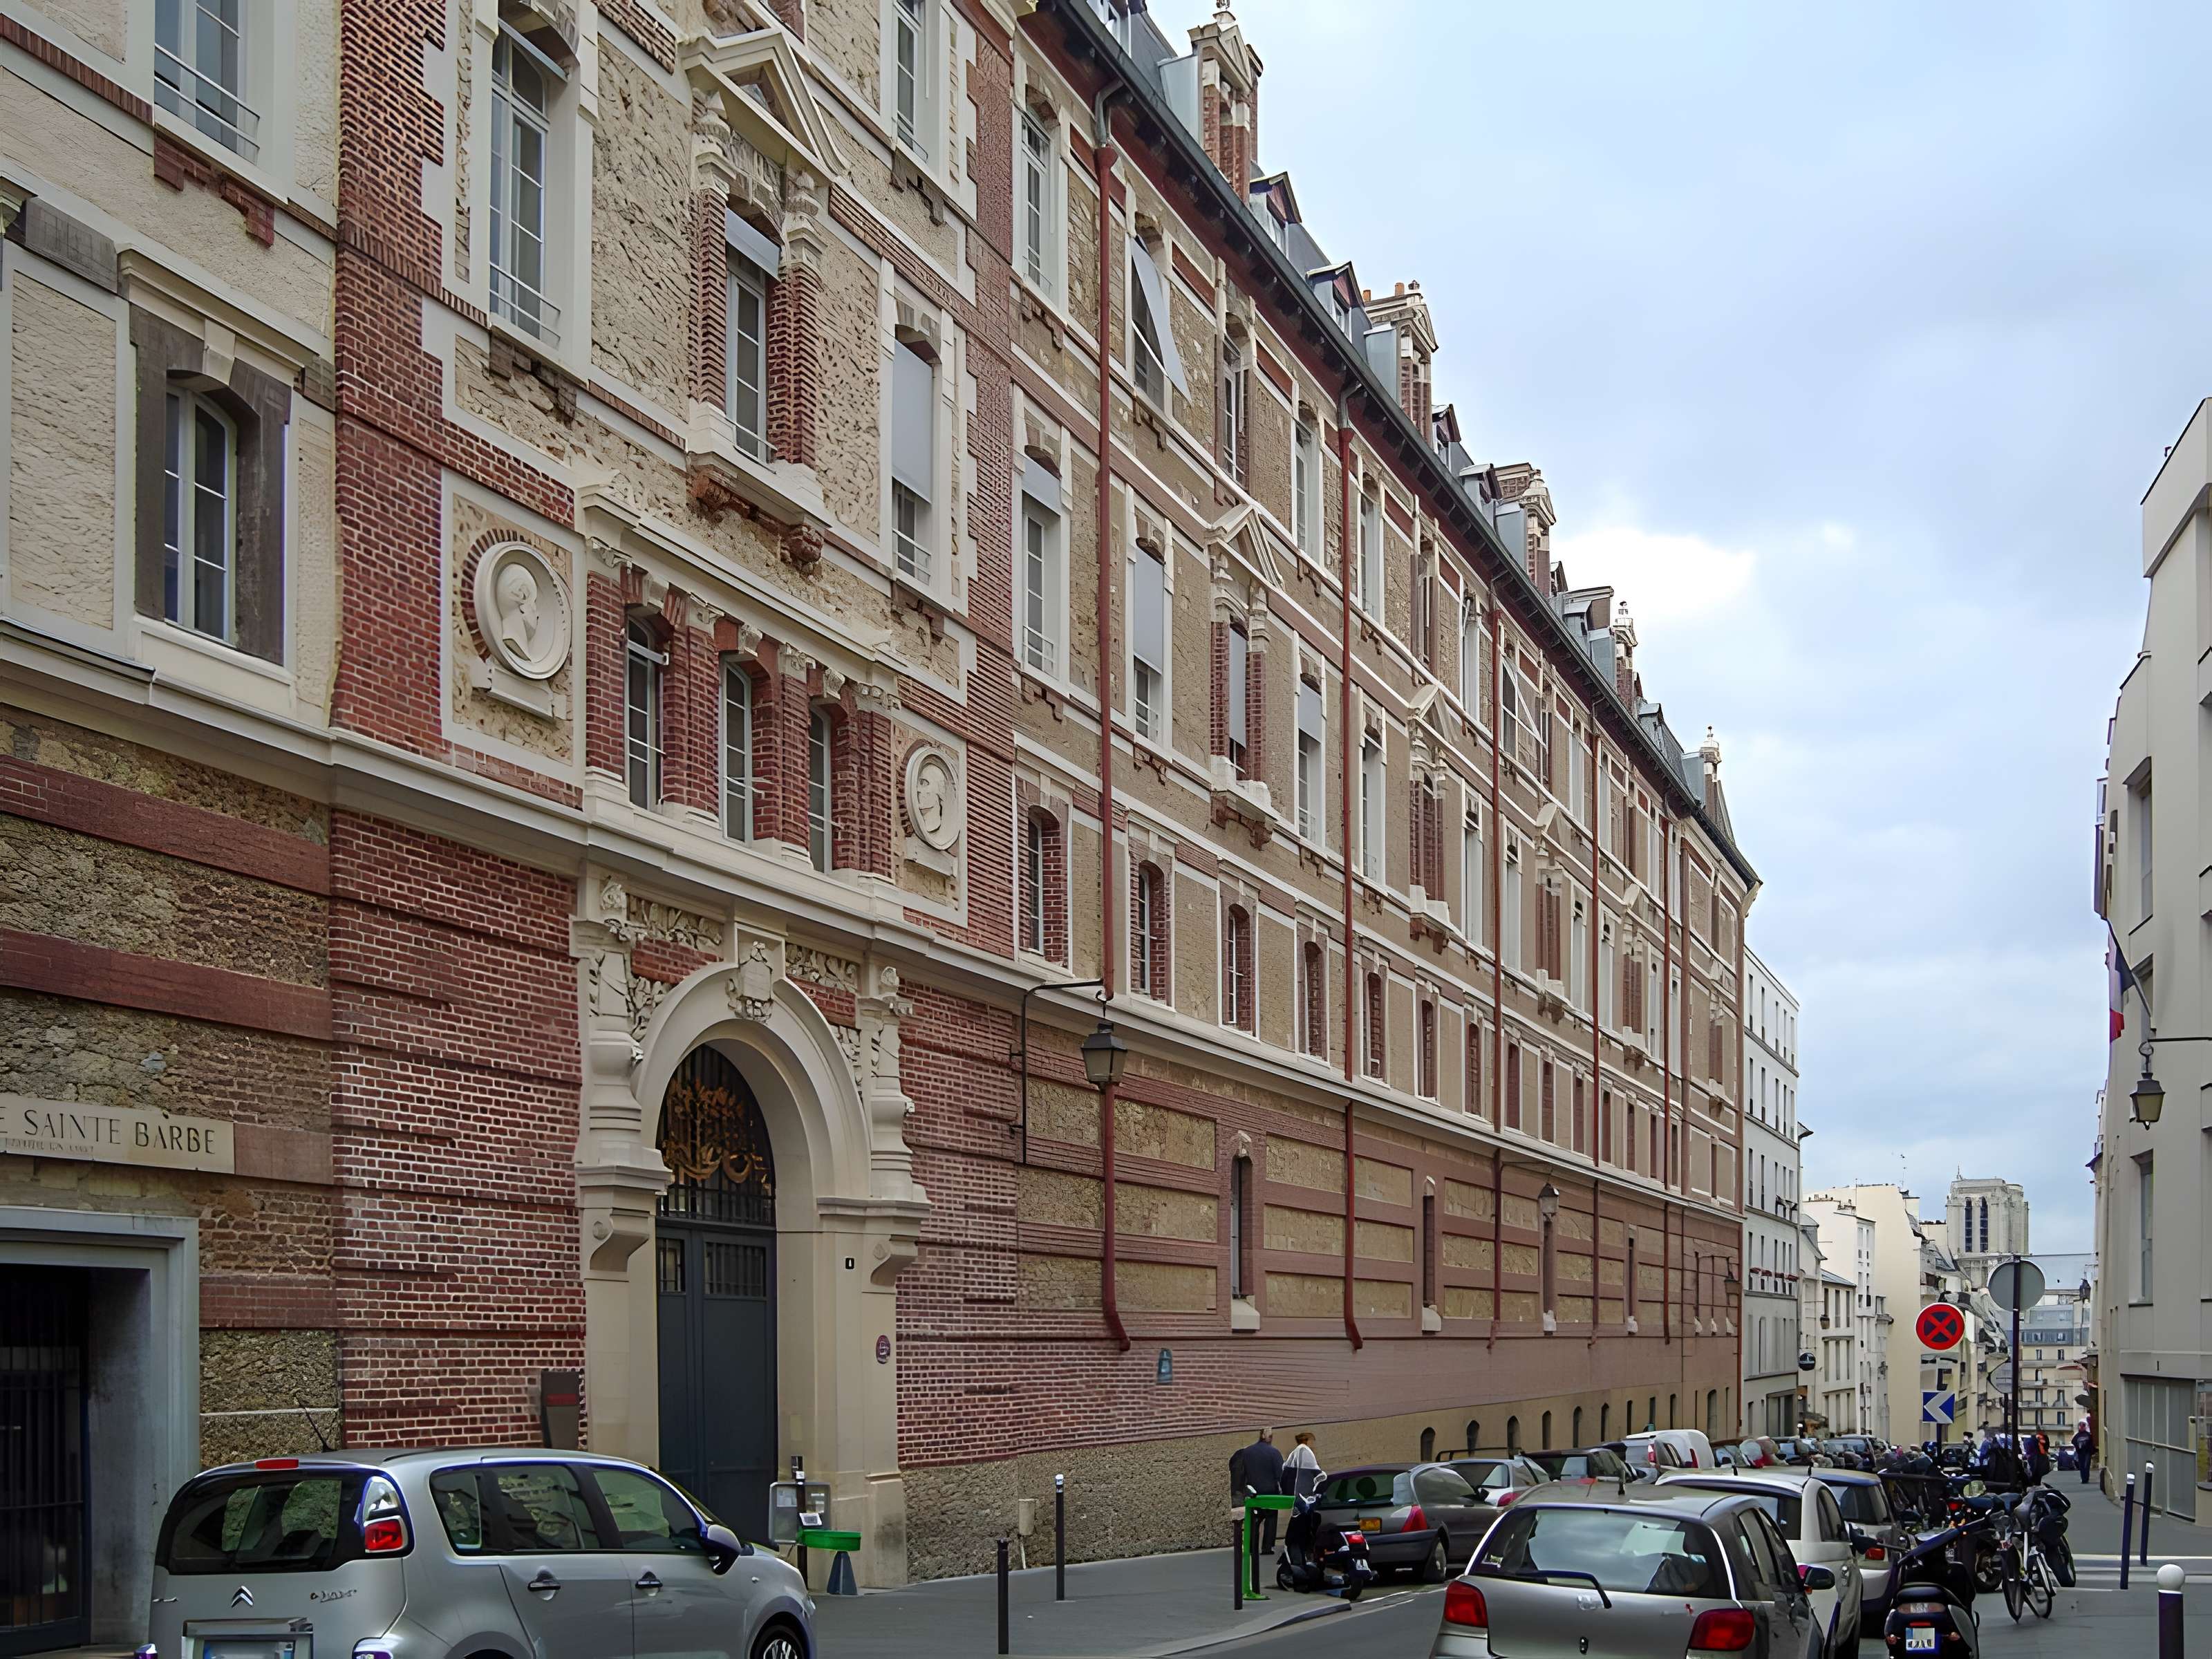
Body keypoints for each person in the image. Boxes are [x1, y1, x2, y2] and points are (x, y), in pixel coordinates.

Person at [1231, 1429, 1285, 1553]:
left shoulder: (1247, 1452)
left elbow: (1241, 1473)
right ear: (1268, 1437)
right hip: (1271, 1492)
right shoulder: (1274, 1452)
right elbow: (1280, 1474)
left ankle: (1251, 1547)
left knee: (1254, 1520)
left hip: (1253, 1492)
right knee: (1271, 1519)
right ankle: (1267, 1547)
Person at [1280, 1431, 1322, 1499]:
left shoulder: (1295, 1454)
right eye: (1312, 1442)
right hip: (1299, 1496)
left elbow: (1284, 1477)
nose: (1314, 1446)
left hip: (1291, 1495)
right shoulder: (1305, 1454)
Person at [2072, 1421, 2094, 1485]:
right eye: (2080, 1426)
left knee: (2086, 1465)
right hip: (2081, 1453)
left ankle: (2086, 1478)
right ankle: (2084, 1478)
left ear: (2085, 1427)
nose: (2082, 1427)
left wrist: (2090, 1451)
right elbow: (2074, 1442)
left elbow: (2092, 1443)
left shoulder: (2089, 1435)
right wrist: (2078, 1449)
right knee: (2082, 1466)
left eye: (2083, 1426)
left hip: (2087, 1453)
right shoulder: (2077, 1436)